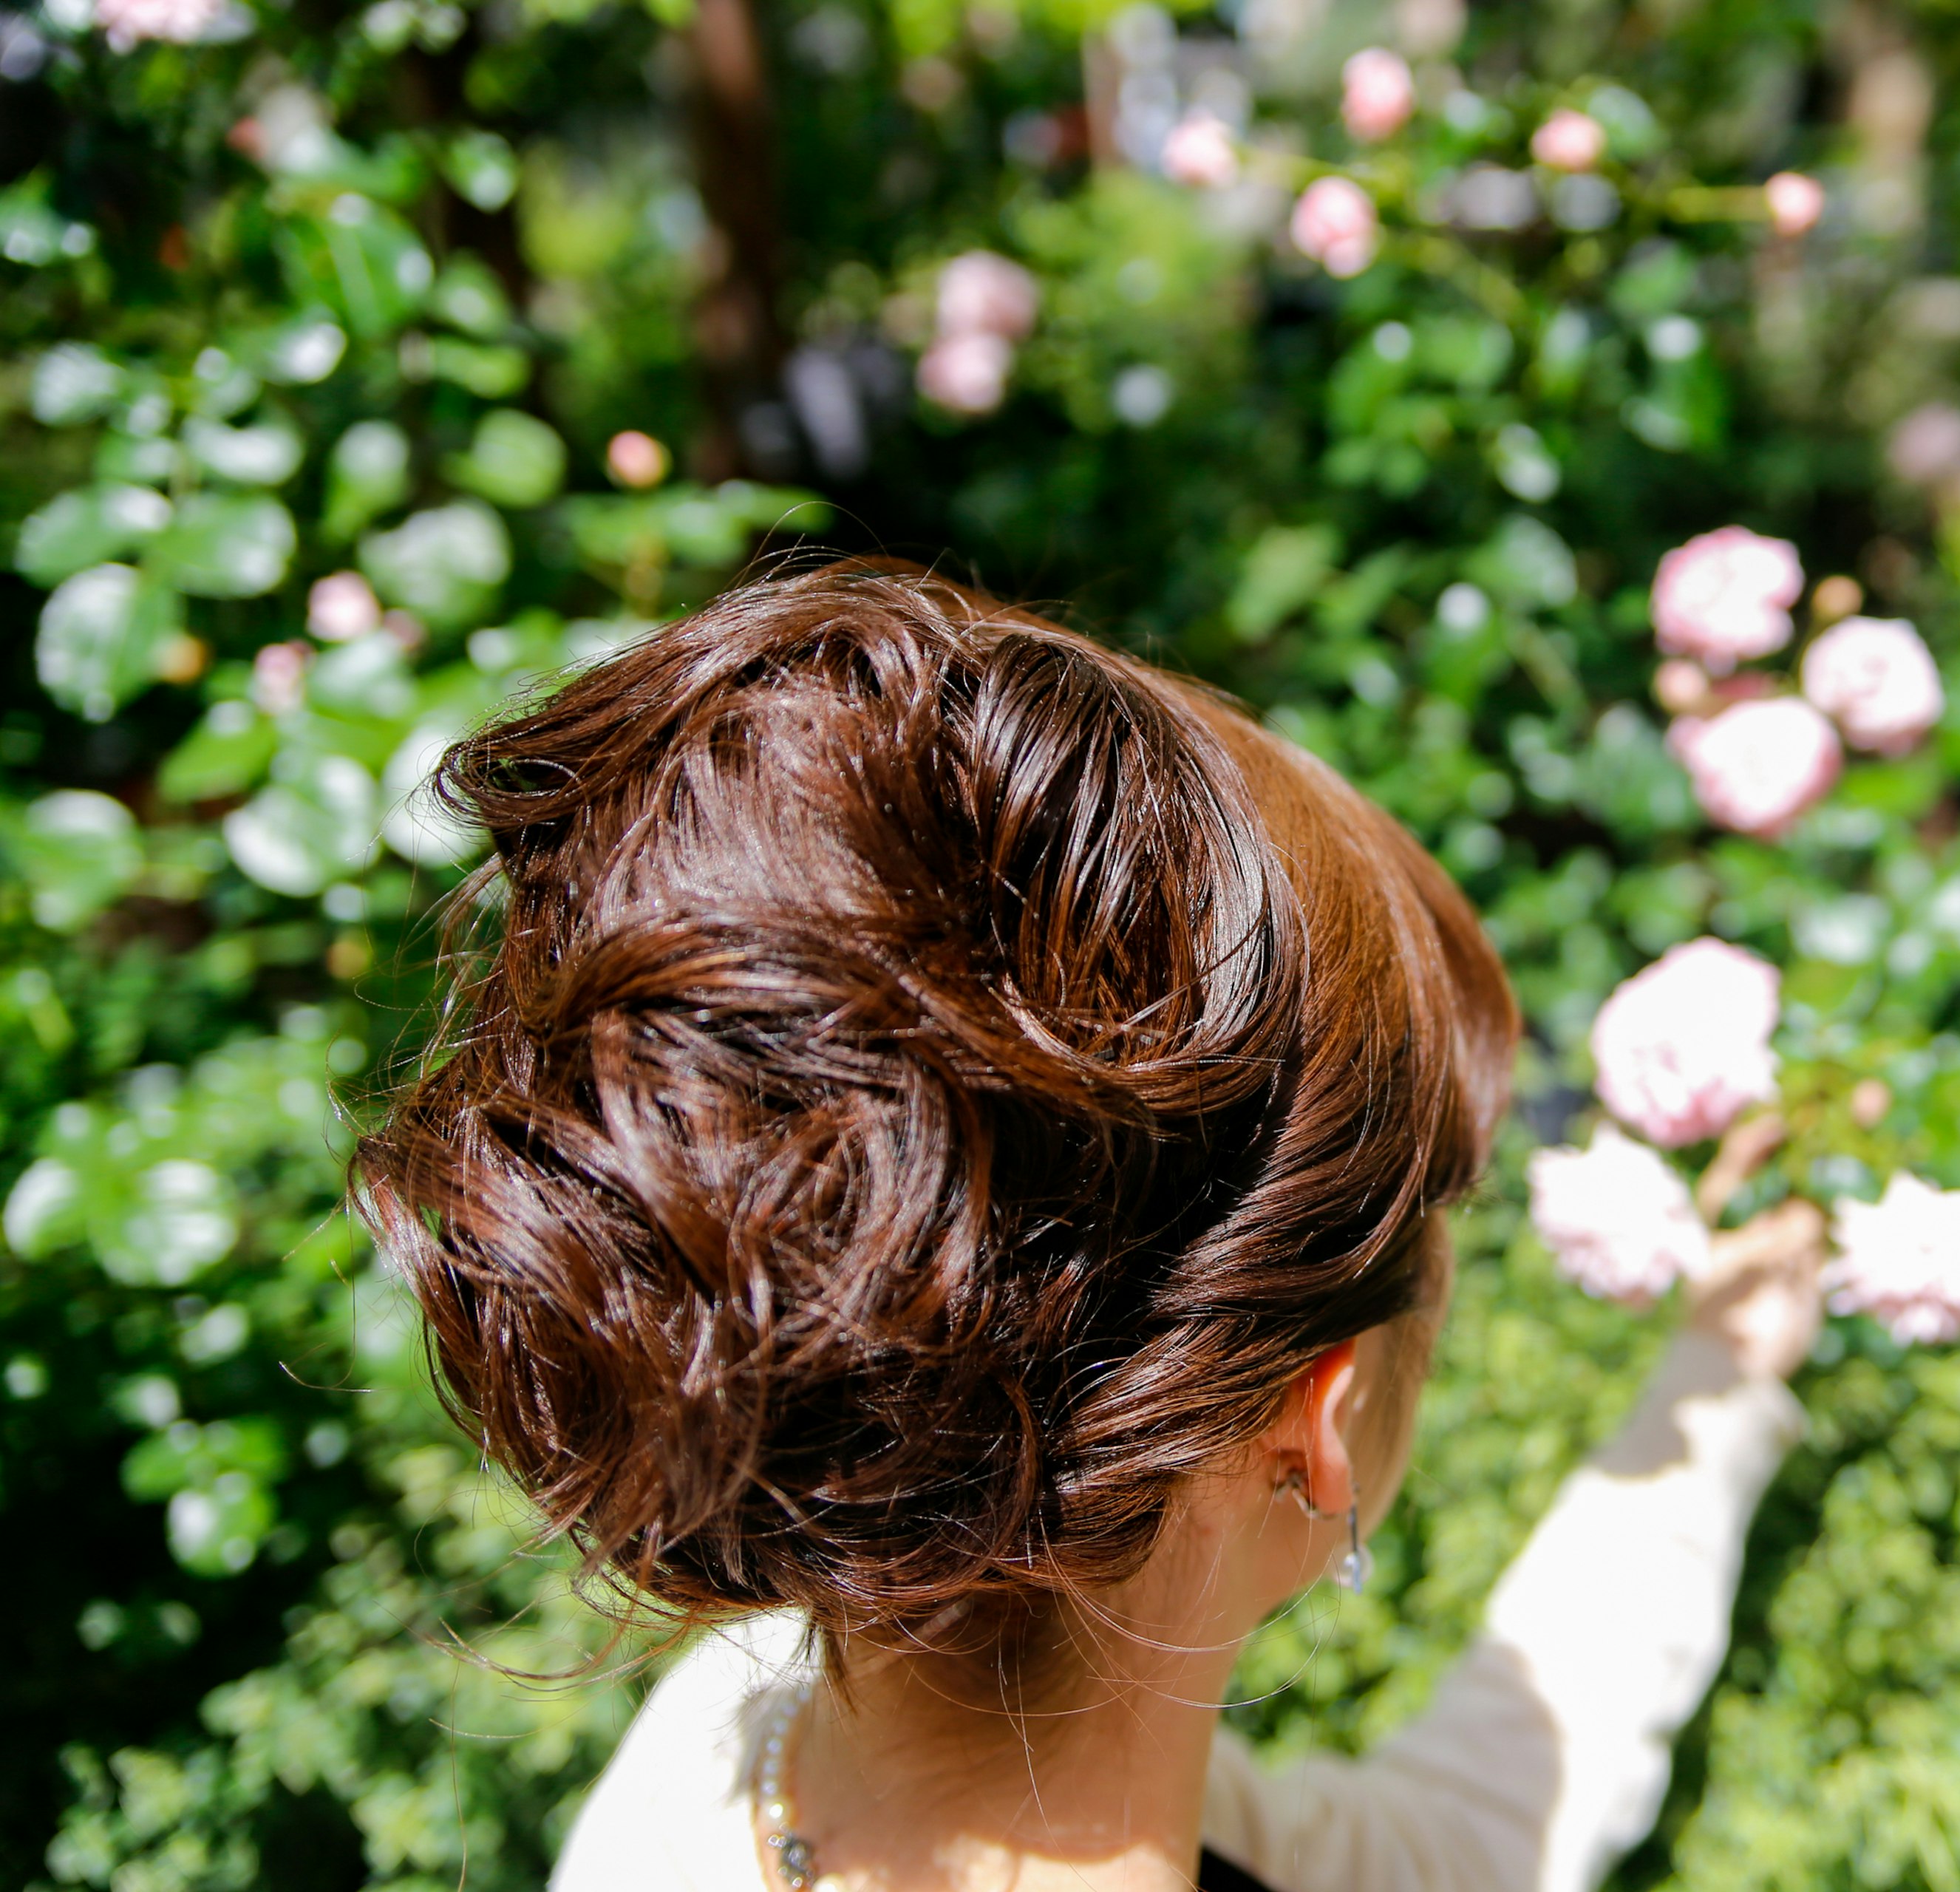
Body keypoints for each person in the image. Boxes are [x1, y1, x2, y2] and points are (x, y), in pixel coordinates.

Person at [357, 564, 1825, 1892]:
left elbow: (1459, 1838)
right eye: (1436, 1228)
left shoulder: (750, 1723)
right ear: (1317, 1420)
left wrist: (1722, 1370)